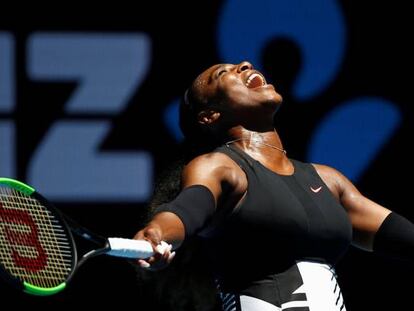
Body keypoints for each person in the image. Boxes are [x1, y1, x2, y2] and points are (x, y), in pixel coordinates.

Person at [133, 61, 414, 311]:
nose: (244, 64)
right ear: (210, 116)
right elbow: (184, 210)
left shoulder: (328, 180)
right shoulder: (219, 167)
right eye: (222, 74)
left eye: (241, 65)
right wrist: (157, 234)